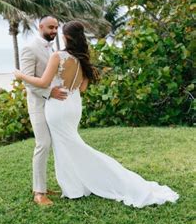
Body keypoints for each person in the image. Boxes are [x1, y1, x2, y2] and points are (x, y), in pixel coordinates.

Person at [14, 21, 179, 208]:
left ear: (66, 37)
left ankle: (79, 186)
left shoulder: (58, 56)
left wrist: (20, 75)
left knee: (69, 147)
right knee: (69, 145)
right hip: (73, 105)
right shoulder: (82, 59)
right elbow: (82, 87)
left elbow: (44, 83)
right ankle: (74, 186)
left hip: (58, 107)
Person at [20, 16, 68, 206]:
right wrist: (50, 93)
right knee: (43, 144)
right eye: (50, 27)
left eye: (56, 28)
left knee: (56, 142)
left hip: (54, 106)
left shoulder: (53, 50)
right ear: (40, 27)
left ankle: (46, 186)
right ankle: (39, 192)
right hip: (38, 105)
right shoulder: (29, 48)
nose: (54, 31)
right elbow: (27, 81)